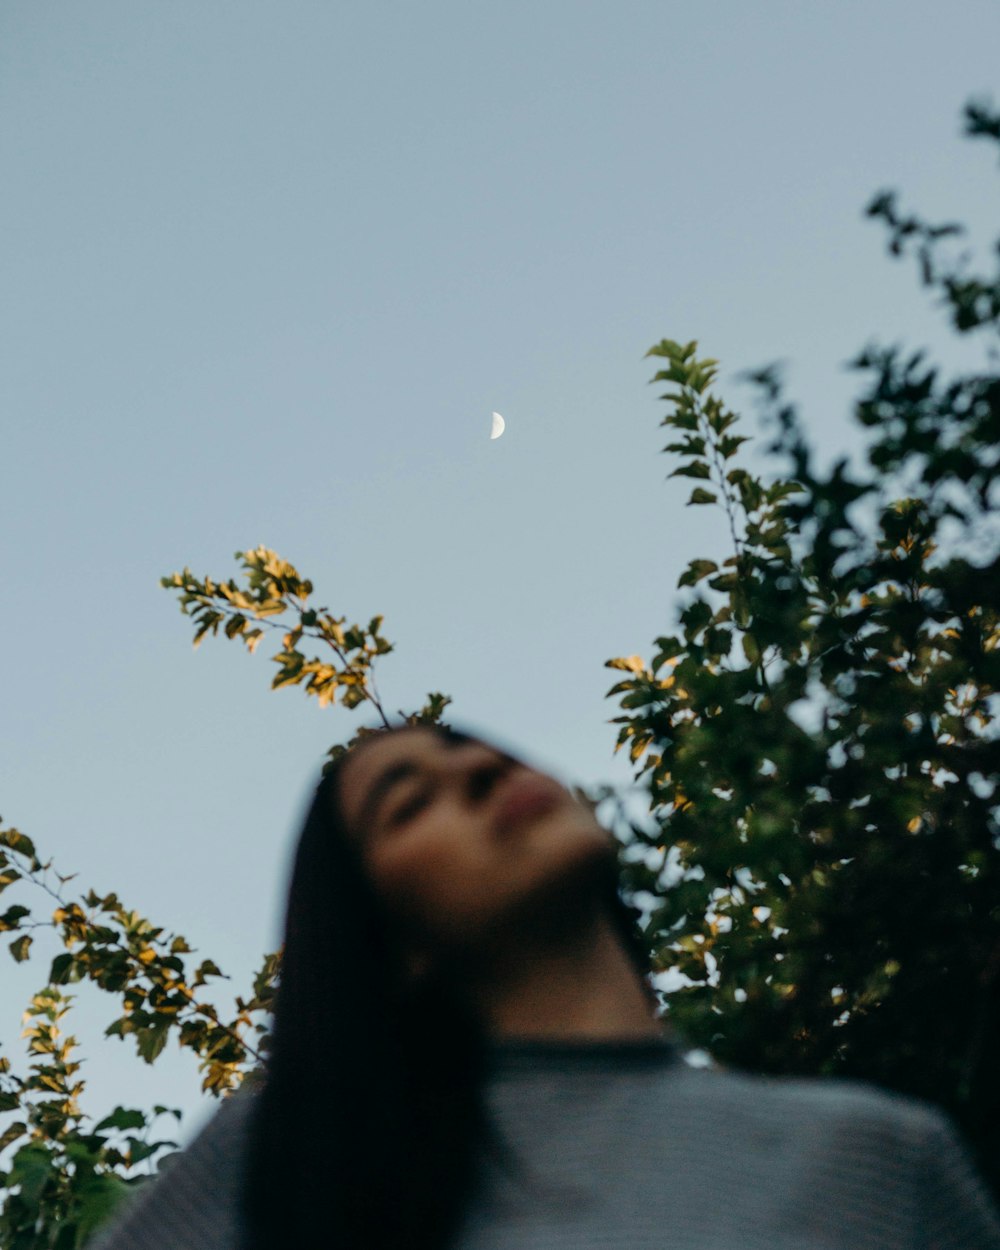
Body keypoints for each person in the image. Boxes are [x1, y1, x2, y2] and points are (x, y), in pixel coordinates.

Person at [88, 723, 1000, 1249]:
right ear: (387, 945)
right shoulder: (296, 1160)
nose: (481, 766)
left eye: (475, 748)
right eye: (409, 801)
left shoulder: (881, 1164)